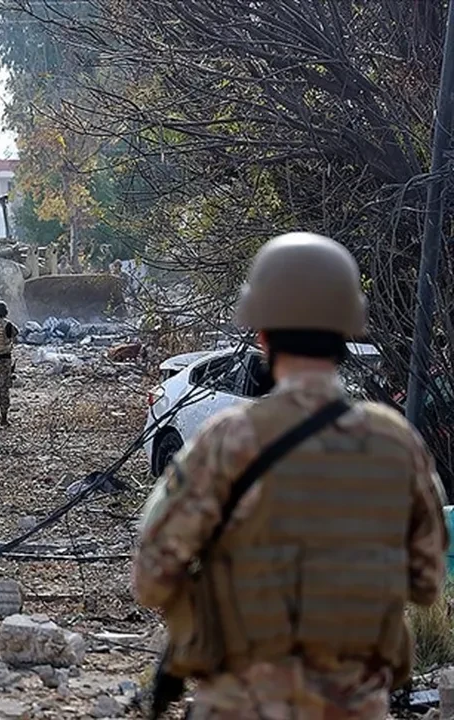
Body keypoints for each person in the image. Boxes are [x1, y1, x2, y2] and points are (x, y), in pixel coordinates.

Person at [134, 232, 449, 720]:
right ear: (348, 332)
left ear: (260, 333)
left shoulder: (226, 441)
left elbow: (152, 573)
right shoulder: (396, 444)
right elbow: (428, 581)